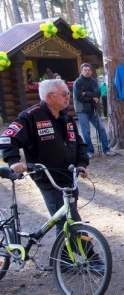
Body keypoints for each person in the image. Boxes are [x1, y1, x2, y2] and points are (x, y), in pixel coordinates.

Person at [0, 79, 89, 235]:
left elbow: (79, 144)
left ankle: (63, 258)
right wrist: (14, 161)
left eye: (68, 93)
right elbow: (7, 139)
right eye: (64, 94)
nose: (68, 97)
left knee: (66, 221)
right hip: (47, 177)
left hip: (69, 176)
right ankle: (92, 258)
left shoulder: (67, 118)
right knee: (70, 221)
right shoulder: (30, 116)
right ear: (49, 97)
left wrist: (82, 163)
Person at [73, 63, 114, 158]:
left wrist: (86, 93)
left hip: (93, 109)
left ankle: (106, 149)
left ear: (91, 71)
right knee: (86, 131)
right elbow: (79, 97)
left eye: (89, 70)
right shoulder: (78, 82)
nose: (87, 72)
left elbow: (98, 93)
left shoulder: (93, 81)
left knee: (101, 129)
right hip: (82, 110)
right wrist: (92, 98)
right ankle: (89, 151)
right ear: (81, 71)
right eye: (85, 70)